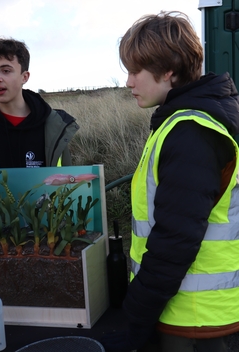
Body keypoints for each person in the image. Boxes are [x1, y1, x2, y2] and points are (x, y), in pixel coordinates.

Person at [102, 11, 239, 352]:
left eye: (135, 72)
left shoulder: (191, 132)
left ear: (168, 71)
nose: (129, 82)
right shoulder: (189, 120)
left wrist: (137, 311)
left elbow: (175, 240)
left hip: (195, 320)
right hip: (192, 310)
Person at [0, 37, 80, 239]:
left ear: (24, 76)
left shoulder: (54, 126)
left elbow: (66, 189)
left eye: (6, 70)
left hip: (43, 240)